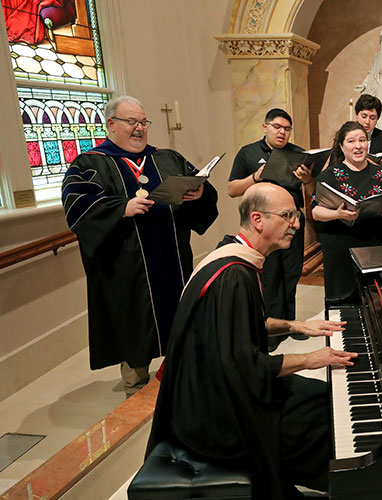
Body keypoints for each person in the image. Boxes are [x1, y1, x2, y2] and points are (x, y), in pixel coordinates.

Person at [146, 182, 355, 499]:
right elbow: (244, 366)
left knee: (322, 396)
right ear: (258, 219)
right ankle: (351, 485)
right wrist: (310, 359)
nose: (296, 224)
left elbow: (243, 326)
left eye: (296, 216)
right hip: (214, 416)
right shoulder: (233, 276)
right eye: (287, 216)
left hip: (216, 389)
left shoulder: (231, 254)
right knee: (324, 418)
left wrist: (295, 325)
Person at [61, 95, 218, 396]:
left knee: (180, 322)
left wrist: (199, 194)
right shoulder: (90, 163)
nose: (139, 128)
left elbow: (201, 188)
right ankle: (135, 390)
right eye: (131, 122)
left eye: (143, 122)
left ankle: (183, 382)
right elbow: (77, 205)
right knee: (134, 327)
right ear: (111, 124)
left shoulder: (167, 158)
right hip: (127, 269)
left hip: (173, 262)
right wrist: (122, 207)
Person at [228, 108, 311, 323]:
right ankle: (270, 324)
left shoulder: (298, 153)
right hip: (263, 223)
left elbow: (312, 190)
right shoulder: (248, 152)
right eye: (277, 127)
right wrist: (255, 177)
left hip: (292, 219)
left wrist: (307, 179)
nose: (282, 132)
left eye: (287, 129)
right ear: (265, 127)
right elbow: (231, 189)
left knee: (292, 271)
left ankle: (289, 321)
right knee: (269, 272)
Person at [312, 122, 382, 302]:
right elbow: (316, 212)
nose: (358, 146)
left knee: (373, 300)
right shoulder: (329, 175)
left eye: (362, 140)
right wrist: (337, 214)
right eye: (351, 141)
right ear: (341, 146)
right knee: (343, 301)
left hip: (374, 245)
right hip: (339, 246)